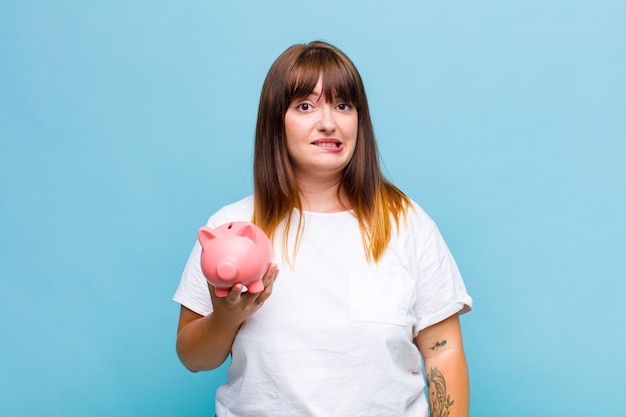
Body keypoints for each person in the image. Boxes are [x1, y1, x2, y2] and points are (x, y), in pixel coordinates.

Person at [174, 41, 473, 417]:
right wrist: (226, 317)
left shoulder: (407, 223)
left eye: (343, 105)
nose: (328, 122)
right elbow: (193, 358)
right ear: (275, 120)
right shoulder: (231, 228)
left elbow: (441, 351)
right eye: (305, 106)